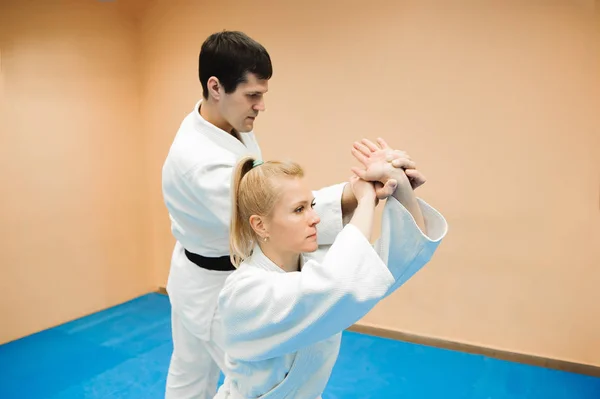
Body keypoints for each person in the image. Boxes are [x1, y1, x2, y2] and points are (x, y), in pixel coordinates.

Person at [161, 31, 408, 399]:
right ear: (215, 87)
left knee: (189, 372)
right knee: (251, 383)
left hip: (192, 268)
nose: (260, 106)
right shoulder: (200, 162)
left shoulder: (217, 122)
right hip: (211, 287)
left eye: (263, 95)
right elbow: (270, 211)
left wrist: (359, 193)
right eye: (253, 95)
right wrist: (358, 193)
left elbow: (271, 196)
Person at [212, 139, 448, 399]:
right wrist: (366, 199)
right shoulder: (243, 294)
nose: (315, 217)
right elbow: (339, 284)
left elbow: (397, 257)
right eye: (299, 209)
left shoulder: (317, 264)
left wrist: (399, 184)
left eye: (311, 205)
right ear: (260, 225)